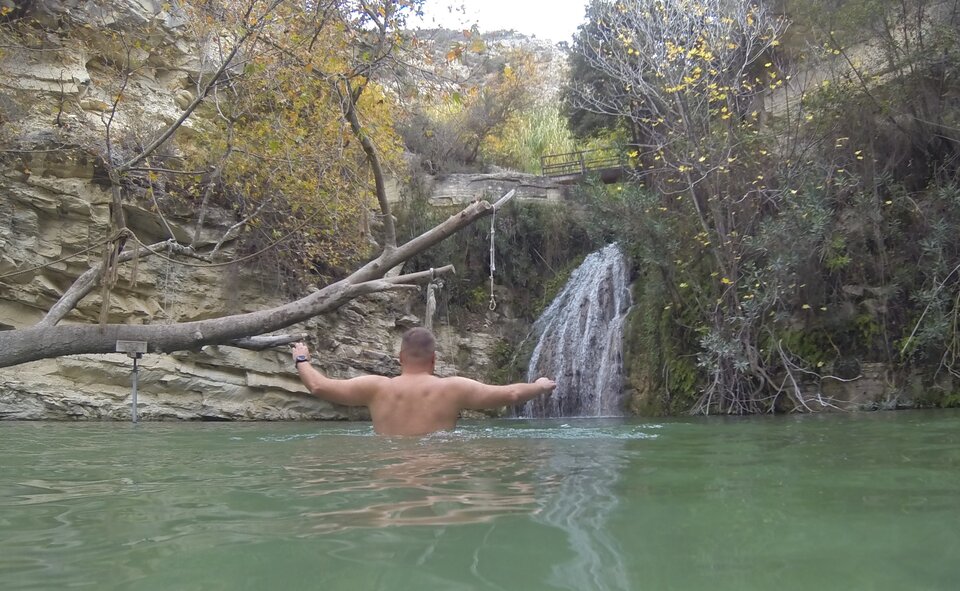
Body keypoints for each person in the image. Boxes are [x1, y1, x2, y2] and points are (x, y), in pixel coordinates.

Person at [291, 327, 556, 436]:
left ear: (400, 358)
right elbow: (511, 394)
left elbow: (318, 386)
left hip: (389, 473)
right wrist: (540, 386)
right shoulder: (452, 388)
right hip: (436, 473)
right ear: (434, 360)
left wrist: (302, 359)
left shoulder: (375, 387)